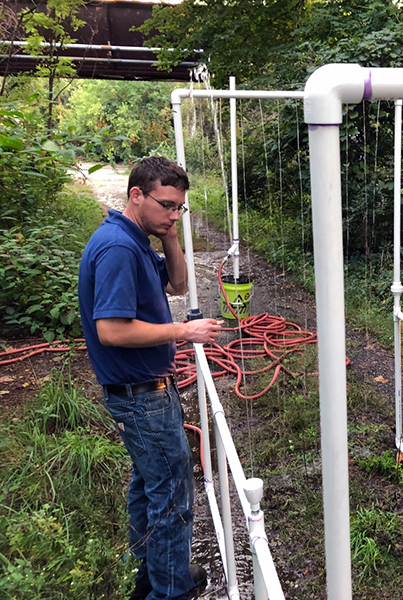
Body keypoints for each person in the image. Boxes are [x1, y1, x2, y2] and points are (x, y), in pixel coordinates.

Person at [78, 156, 223, 600]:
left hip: (148, 390)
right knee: (172, 494)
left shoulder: (137, 238)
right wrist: (183, 330)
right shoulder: (119, 248)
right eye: (166, 205)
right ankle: (171, 589)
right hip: (140, 397)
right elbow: (111, 329)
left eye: (179, 207)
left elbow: (178, 286)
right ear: (135, 195)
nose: (173, 214)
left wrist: (171, 235)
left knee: (149, 482)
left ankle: (150, 573)